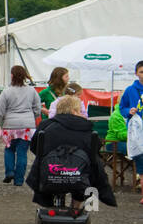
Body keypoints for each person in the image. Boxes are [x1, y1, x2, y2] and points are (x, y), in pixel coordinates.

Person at [27, 94, 117, 212]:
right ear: (74, 111)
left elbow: (35, 147)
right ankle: (76, 207)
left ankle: (50, 207)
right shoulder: (87, 128)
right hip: (78, 175)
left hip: (49, 173)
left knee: (42, 164)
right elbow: (94, 151)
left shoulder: (46, 125)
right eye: (80, 110)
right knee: (89, 169)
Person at [0, 65, 41, 184]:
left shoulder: (6, 91)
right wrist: (31, 118)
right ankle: (19, 180)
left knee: (9, 149)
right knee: (22, 152)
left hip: (10, 126)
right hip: (27, 127)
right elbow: (38, 108)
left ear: (12, 75)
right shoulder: (32, 91)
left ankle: (9, 172)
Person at [117, 60, 143, 192]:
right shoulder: (130, 90)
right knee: (141, 160)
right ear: (136, 73)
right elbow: (122, 108)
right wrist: (129, 111)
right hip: (137, 131)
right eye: (141, 72)